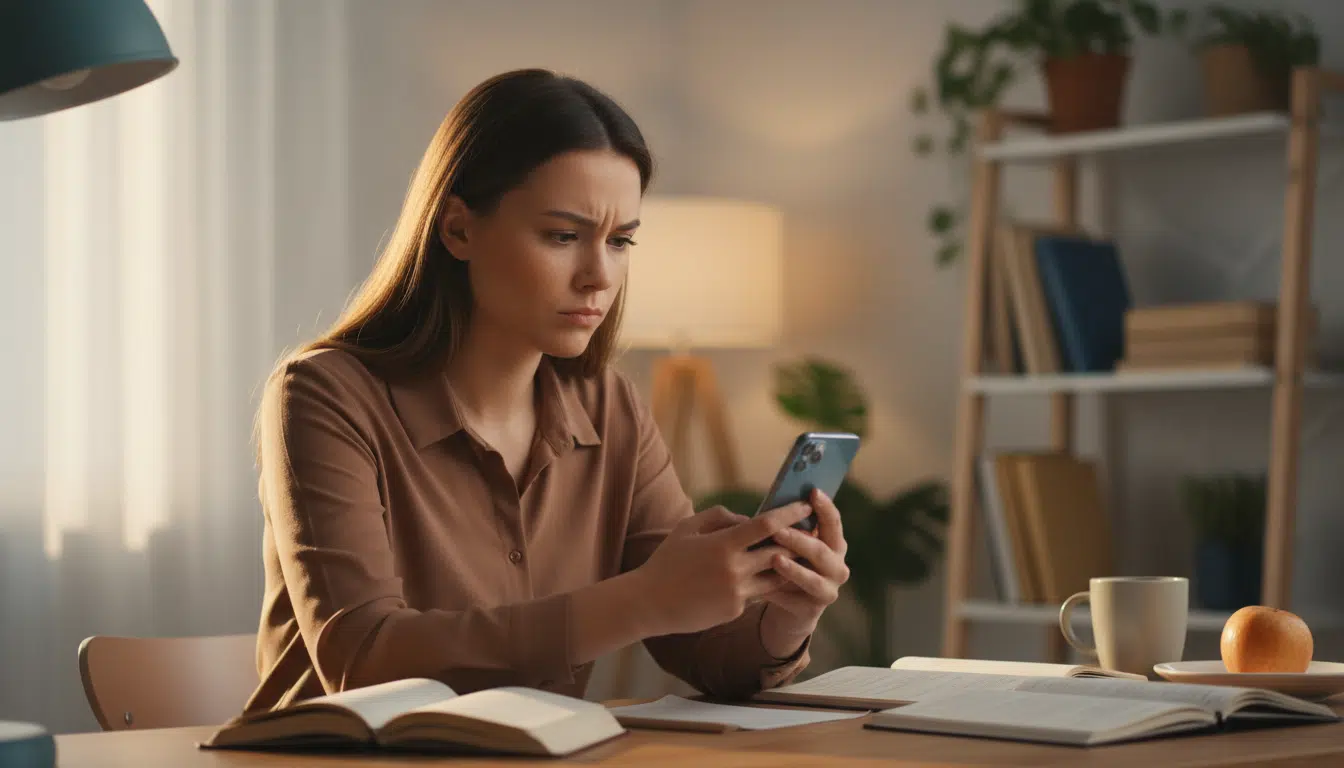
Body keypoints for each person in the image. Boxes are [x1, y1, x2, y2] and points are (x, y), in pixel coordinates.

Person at [244, 68, 850, 713]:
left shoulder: (608, 408)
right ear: (457, 230)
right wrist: (644, 599)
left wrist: (788, 609)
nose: (598, 276)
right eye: (563, 236)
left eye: (620, 241)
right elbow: (362, 659)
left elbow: (706, 656)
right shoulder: (323, 395)